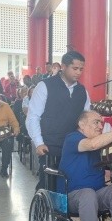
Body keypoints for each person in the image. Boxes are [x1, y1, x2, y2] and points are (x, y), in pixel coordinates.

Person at [26, 50, 90, 190]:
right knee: (48, 184)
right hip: (49, 145)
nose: (78, 72)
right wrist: (39, 143)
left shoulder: (82, 91)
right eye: (75, 68)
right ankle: (41, 204)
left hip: (73, 145)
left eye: (81, 69)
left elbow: (86, 118)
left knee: (70, 184)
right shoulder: (45, 86)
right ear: (64, 66)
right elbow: (33, 117)